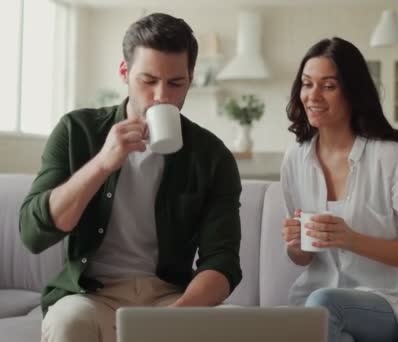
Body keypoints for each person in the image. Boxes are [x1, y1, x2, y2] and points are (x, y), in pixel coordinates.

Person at [19, 13, 242, 342]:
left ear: (191, 79)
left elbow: (222, 261)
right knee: (67, 322)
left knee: (238, 324)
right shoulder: (76, 131)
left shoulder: (212, 156)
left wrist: (177, 315)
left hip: (172, 295)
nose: (161, 96)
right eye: (148, 80)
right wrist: (103, 163)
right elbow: (33, 233)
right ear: (125, 73)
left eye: (175, 83)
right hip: (92, 295)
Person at [280, 37, 398, 342]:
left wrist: (351, 239)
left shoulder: (391, 158)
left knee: (323, 308)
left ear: (352, 92)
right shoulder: (295, 158)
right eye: (307, 84)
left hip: (386, 304)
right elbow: (302, 258)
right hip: (314, 299)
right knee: (320, 315)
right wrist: (295, 245)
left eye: (328, 86)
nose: (313, 96)